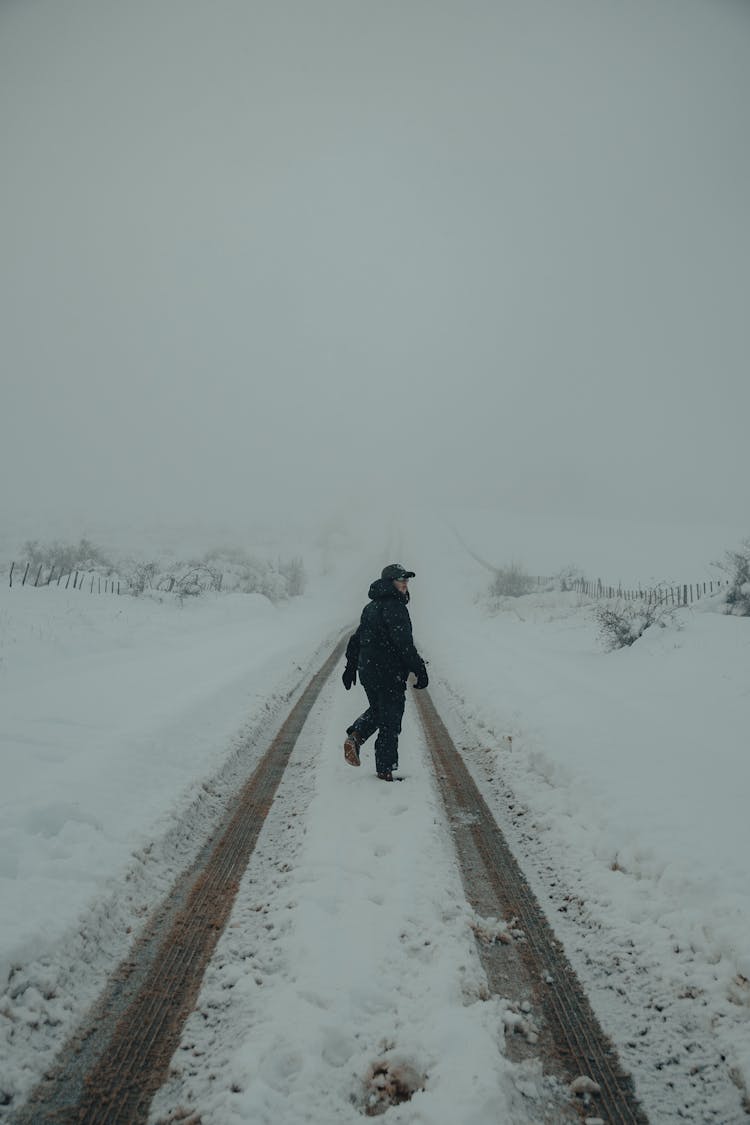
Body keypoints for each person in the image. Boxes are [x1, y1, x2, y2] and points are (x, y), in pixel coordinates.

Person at [341, 563, 429, 782]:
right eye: (401, 580)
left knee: (380, 711)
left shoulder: (371, 607)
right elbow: (404, 644)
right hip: (388, 672)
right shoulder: (395, 608)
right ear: (390, 582)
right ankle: (385, 771)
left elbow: (356, 639)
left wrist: (351, 667)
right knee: (390, 721)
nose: (405, 585)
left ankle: (356, 736)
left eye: (407, 581)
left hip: (369, 671)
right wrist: (420, 669)